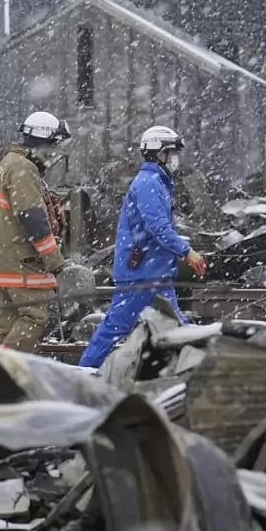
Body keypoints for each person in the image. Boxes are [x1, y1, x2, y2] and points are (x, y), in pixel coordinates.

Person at [79, 125, 208, 368]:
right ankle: (82, 373)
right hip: (141, 276)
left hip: (154, 274)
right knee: (116, 329)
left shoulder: (157, 182)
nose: (175, 159)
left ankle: (192, 371)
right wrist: (187, 252)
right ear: (159, 154)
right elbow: (158, 228)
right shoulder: (148, 183)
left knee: (176, 328)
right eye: (172, 153)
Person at [0, 111, 71, 352]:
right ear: (42, 141)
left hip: (2, 261)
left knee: (8, 326)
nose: (53, 152)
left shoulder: (6, 165)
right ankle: (5, 370)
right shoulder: (23, 168)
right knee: (35, 317)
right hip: (22, 262)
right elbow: (32, 218)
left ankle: (2, 381)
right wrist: (54, 259)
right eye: (53, 145)